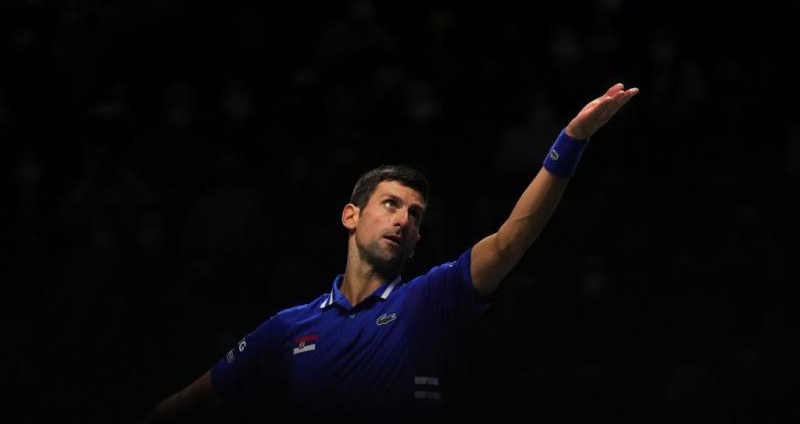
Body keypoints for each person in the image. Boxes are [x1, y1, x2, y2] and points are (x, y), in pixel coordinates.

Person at [141, 83, 638, 424]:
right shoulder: (289, 328)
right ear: (351, 216)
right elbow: (195, 398)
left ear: (418, 238)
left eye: (416, 215)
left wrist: (571, 139)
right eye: (391, 205)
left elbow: (512, 238)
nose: (404, 218)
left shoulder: (432, 298)